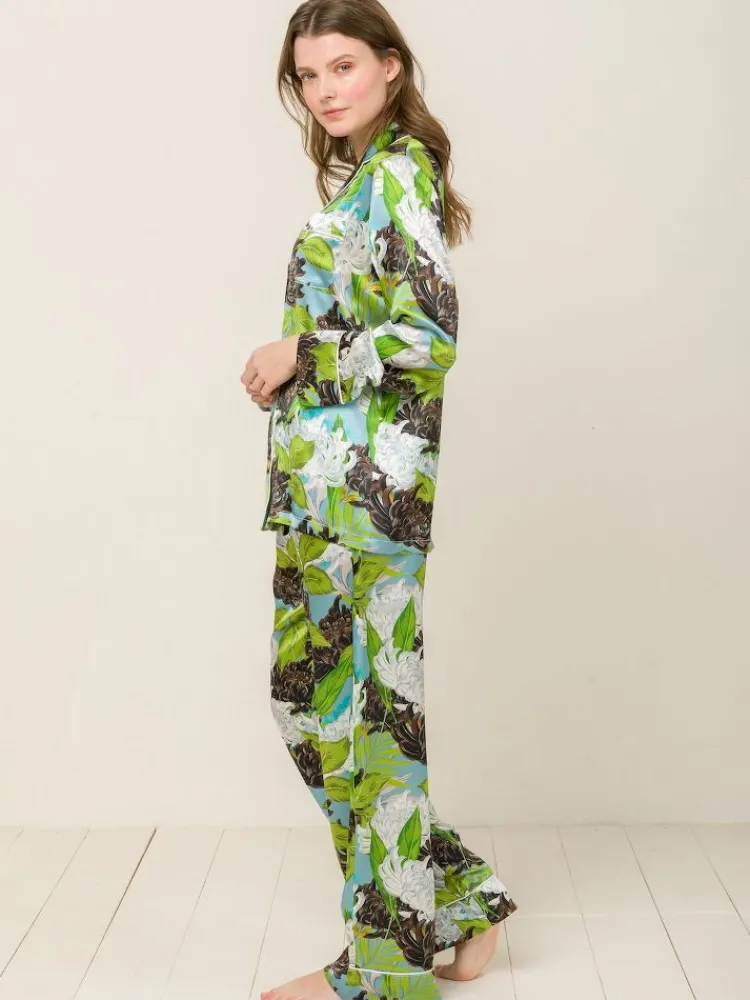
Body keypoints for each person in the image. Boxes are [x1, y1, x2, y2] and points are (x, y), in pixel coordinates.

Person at [240, 2, 517, 997]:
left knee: (369, 730)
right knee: (310, 707)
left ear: (391, 67)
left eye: (344, 66)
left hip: (371, 501)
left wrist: (299, 353)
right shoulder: (364, 179)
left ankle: (384, 967)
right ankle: (459, 898)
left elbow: (429, 340)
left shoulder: (398, 175)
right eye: (309, 75)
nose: (326, 89)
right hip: (320, 497)